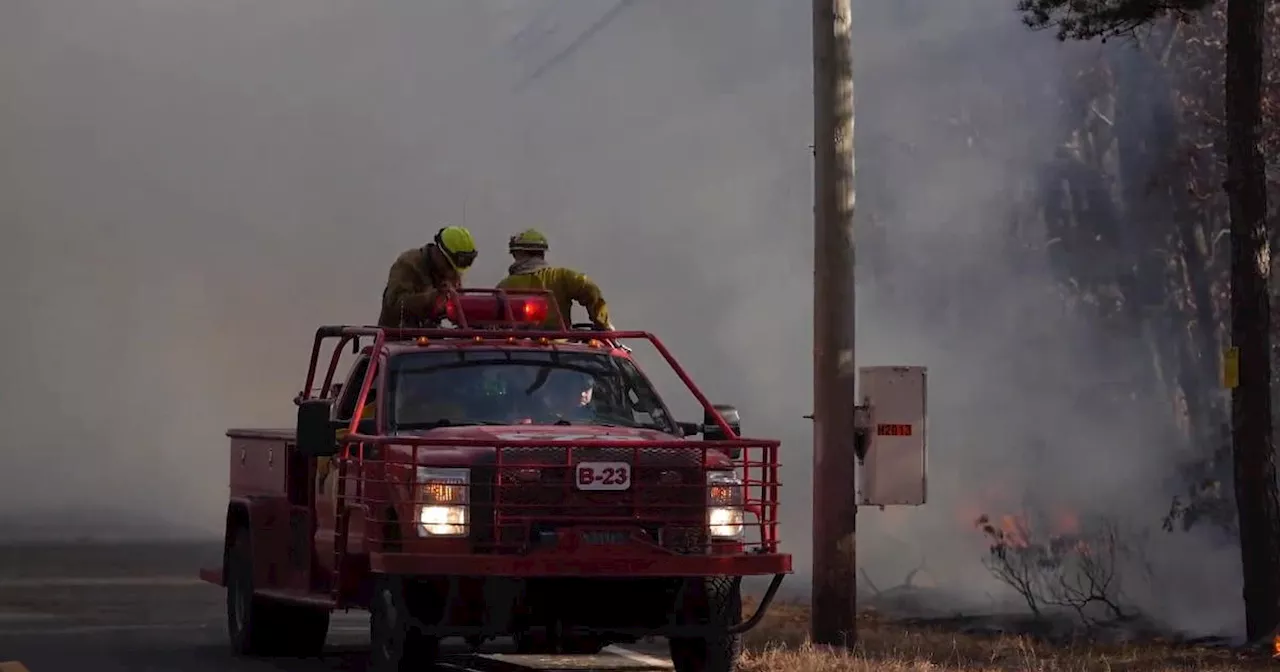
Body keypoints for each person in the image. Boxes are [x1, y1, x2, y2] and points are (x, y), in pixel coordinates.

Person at [497, 229, 612, 331]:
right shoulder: (562, 277)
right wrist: (602, 323)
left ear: (518, 253)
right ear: (542, 253)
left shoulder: (503, 287)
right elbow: (589, 288)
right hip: (561, 345)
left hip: (516, 346)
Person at [378, 226, 478, 328]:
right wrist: (432, 300)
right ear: (439, 253)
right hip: (397, 336)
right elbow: (394, 303)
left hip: (430, 337)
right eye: (449, 266)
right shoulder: (409, 264)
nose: (452, 273)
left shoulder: (451, 270)